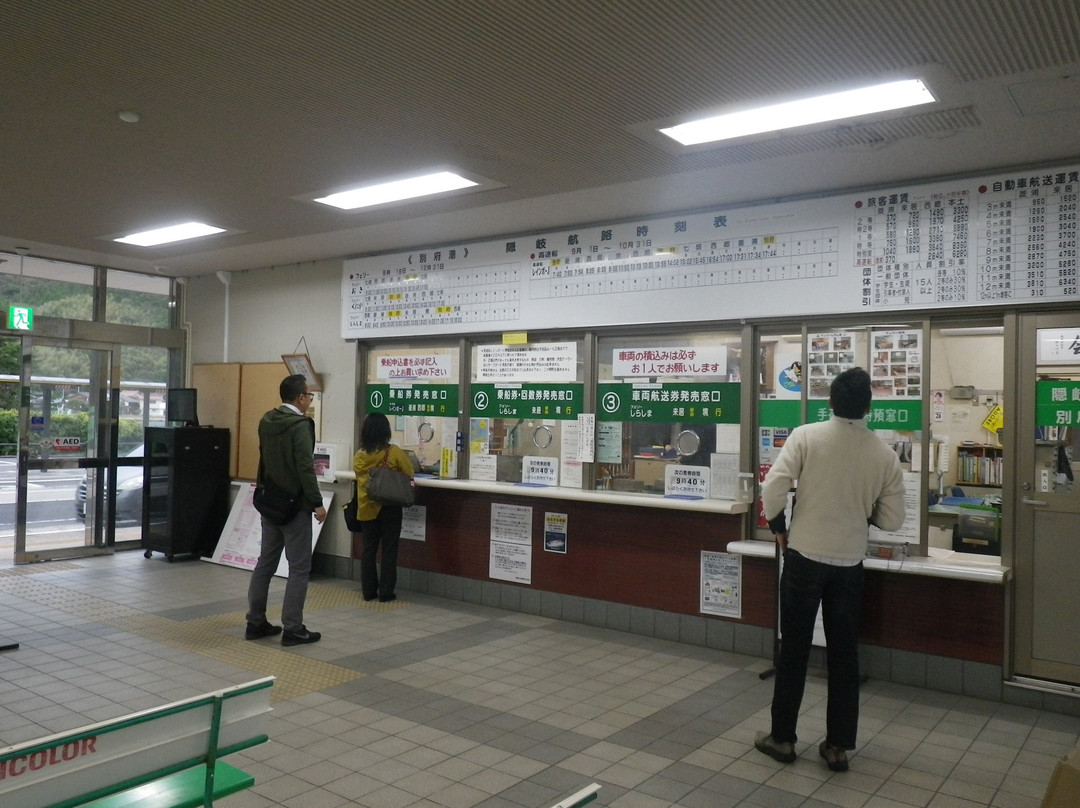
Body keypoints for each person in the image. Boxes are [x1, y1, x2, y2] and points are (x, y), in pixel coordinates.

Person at [756, 367, 905, 772]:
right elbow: (892, 520)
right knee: (844, 655)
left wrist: (779, 528)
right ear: (869, 407)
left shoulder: (807, 436)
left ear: (830, 404)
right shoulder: (884, 455)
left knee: (795, 652)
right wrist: (863, 511)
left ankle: (782, 739)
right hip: (849, 565)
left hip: (804, 558)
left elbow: (772, 488)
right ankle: (837, 746)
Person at [245, 374, 327, 646]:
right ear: (301, 398)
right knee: (299, 568)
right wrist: (317, 502)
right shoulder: (300, 426)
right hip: (295, 507)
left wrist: (263, 492)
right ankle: (293, 628)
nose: (309, 400)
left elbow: (264, 459)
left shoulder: (267, 421)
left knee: (265, 564)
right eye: (309, 396)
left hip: (270, 503)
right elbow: (305, 467)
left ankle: (255, 622)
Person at [352, 413, 413, 602]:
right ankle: (386, 592)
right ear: (386, 431)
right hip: (390, 507)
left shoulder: (359, 456)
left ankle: (368, 591)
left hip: (366, 508)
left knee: (368, 551)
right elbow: (409, 472)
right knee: (389, 550)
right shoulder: (393, 452)